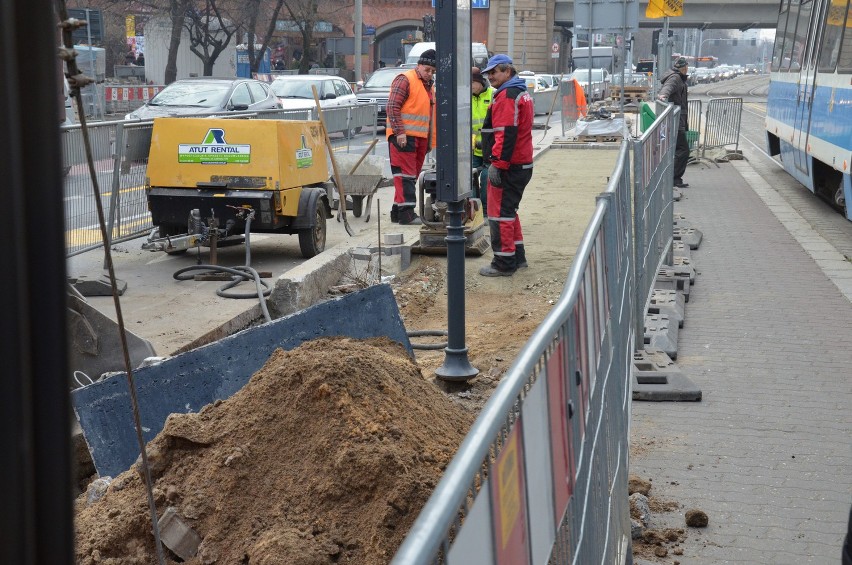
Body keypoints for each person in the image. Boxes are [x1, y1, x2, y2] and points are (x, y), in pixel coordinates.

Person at [478, 54, 534, 277]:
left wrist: (497, 165)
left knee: (499, 214)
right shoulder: (519, 91)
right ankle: (517, 258)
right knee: (509, 212)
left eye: (494, 72)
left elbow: (505, 133)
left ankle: (503, 263)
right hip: (521, 163)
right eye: (488, 73)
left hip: (509, 166)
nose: (490, 76)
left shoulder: (507, 95)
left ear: (507, 71)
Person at [386, 48, 437, 225]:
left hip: (419, 138)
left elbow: (429, 115)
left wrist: (429, 140)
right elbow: (392, 106)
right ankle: (407, 214)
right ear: (419, 66)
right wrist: (400, 132)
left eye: (433, 71)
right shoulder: (406, 79)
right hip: (404, 137)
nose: (430, 74)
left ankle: (397, 212)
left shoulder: (428, 87)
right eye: (427, 70)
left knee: (409, 176)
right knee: (406, 176)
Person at [657, 56, 690, 188]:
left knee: (678, 149)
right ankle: (674, 178)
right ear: (681, 68)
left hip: (678, 119)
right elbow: (668, 87)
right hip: (675, 120)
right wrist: (663, 95)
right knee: (683, 150)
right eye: (685, 68)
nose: (686, 70)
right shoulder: (675, 78)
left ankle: (673, 177)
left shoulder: (677, 77)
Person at [470, 67, 493, 212]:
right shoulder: (465, 97)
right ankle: (472, 206)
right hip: (471, 146)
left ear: (480, 82)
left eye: (473, 82)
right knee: (469, 176)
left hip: (489, 145)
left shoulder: (492, 95)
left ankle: (485, 207)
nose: (470, 85)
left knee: (486, 176)